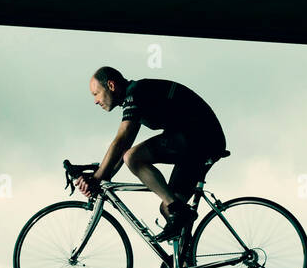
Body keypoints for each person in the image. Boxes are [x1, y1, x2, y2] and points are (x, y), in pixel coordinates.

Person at [77, 66, 227, 243]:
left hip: (200, 136)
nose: (95, 101)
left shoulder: (136, 93)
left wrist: (96, 177)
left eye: (96, 93)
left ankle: (179, 210)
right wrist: (102, 177)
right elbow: (122, 148)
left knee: (134, 158)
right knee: (168, 209)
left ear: (110, 85)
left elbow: (120, 142)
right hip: (198, 143)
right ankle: (187, 266)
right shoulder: (134, 99)